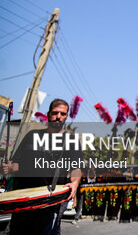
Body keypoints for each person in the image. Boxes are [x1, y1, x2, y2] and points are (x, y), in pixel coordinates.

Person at [1, 98, 82, 235]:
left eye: (62, 114)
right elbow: (18, 165)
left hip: (50, 202)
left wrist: (74, 184)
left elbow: (76, 168)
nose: (58, 117)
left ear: (66, 116)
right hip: (24, 200)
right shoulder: (32, 136)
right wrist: (8, 168)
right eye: (55, 113)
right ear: (48, 114)